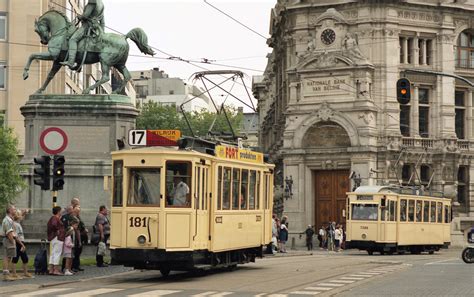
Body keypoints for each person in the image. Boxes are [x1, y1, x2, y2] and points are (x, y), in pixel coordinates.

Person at [61, 0, 105, 69]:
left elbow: (85, 16)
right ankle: (78, 65)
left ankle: (71, 61)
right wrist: (102, 33)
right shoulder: (101, 4)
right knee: (81, 43)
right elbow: (102, 22)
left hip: (87, 27)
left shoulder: (92, 1)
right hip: (97, 29)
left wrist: (80, 16)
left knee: (73, 39)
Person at [11, 210, 33, 279]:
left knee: (25, 258)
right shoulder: (15, 224)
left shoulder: (18, 222)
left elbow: (21, 218)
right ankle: (14, 273)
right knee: (15, 258)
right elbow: (16, 236)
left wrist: (24, 213)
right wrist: (22, 245)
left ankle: (25, 272)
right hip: (18, 242)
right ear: (17, 216)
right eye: (20, 215)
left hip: (21, 242)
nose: (22, 217)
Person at [47, 206, 65, 275]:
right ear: (58, 211)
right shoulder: (55, 218)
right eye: (61, 211)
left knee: (53, 253)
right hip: (57, 237)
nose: (61, 212)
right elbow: (54, 225)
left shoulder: (53, 218)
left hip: (53, 238)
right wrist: (58, 230)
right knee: (57, 253)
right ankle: (56, 270)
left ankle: (51, 269)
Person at [2, 205, 18, 281]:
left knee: (7, 257)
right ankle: (6, 276)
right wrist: (12, 242)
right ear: (10, 210)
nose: (15, 210)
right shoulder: (8, 220)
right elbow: (9, 233)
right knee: (8, 258)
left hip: (7, 239)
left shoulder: (8, 219)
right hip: (9, 239)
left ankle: (6, 275)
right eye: (14, 209)